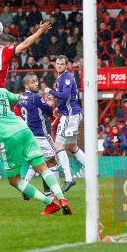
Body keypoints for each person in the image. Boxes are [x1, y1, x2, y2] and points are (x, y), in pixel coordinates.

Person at [0, 66, 71, 215]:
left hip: (8, 137)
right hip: (24, 129)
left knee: (14, 180)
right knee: (43, 168)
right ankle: (62, 199)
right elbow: (19, 97)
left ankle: (50, 203)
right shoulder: (2, 91)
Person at [0, 21, 51, 174]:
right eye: (12, 45)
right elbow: (27, 43)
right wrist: (40, 31)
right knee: (1, 129)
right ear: (8, 44)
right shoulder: (6, 51)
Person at [14, 73, 60, 199]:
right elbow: (48, 110)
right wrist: (51, 107)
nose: (36, 84)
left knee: (36, 162)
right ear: (26, 85)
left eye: (36, 81)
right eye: (33, 82)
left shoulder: (21, 97)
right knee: (52, 162)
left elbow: (16, 112)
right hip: (41, 135)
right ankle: (55, 193)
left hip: (28, 136)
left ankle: (25, 186)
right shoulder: (36, 97)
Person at [44, 55, 85, 193]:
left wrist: (50, 91)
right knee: (72, 146)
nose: (59, 66)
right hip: (71, 113)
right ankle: (93, 172)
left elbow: (66, 95)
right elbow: (66, 98)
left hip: (70, 116)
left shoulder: (66, 77)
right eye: (58, 63)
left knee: (58, 145)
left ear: (67, 65)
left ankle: (68, 178)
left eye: (62, 64)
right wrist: (58, 108)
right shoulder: (61, 77)